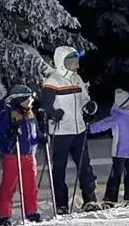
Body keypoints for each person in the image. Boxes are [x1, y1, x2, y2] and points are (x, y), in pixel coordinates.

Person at [41, 46, 99, 213]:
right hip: (60, 132)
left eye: (76, 60)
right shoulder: (53, 81)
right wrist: (52, 113)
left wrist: (89, 107)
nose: (76, 64)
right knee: (59, 168)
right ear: (62, 62)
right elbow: (44, 106)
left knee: (85, 166)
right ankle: (61, 204)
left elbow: (84, 100)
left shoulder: (77, 79)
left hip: (78, 130)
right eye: (72, 61)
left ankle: (90, 198)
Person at [0, 85, 43, 225]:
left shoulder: (30, 113)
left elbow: (35, 131)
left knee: (31, 186)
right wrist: (10, 137)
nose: (32, 100)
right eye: (29, 98)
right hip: (13, 155)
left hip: (29, 155)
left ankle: (31, 211)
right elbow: (0, 136)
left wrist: (41, 138)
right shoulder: (7, 114)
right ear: (20, 99)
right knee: (9, 185)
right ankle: (4, 215)